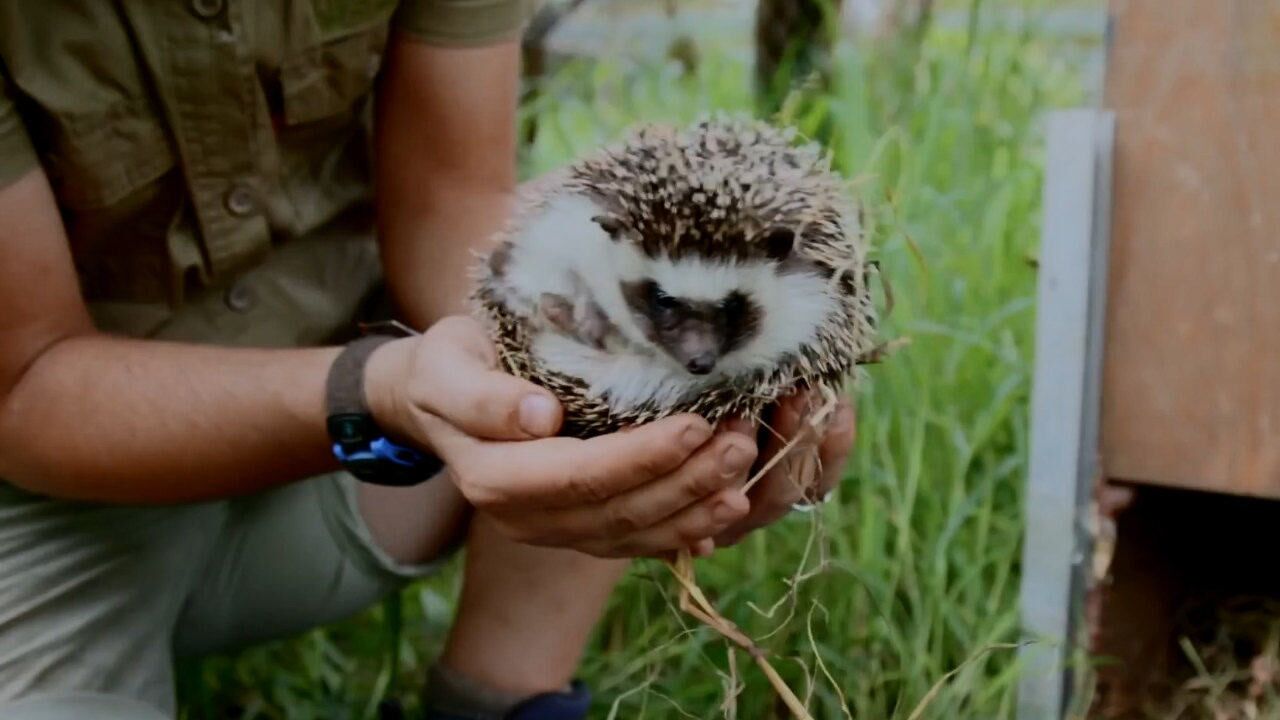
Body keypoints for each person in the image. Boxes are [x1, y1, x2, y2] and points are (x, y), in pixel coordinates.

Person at [0, 2, 857, 719]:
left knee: (599, 363)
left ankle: (506, 697)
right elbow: (26, 384)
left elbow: (454, 205)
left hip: (363, 447)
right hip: (47, 509)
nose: (700, 347)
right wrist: (381, 390)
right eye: (672, 309)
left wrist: (545, 353)